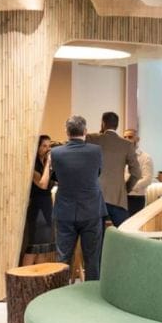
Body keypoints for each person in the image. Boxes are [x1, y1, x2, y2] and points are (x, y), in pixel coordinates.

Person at [50, 115, 106, 281]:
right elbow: (97, 173)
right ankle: (91, 292)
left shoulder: (56, 152)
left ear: (66, 132)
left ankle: (60, 291)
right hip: (91, 210)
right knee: (92, 258)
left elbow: (56, 177)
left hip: (65, 210)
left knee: (63, 257)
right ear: (85, 131)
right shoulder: (96, 151)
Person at [86, 111, 140, 229]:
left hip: (95, 196)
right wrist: (125, 188)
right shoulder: (127, 145)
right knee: (124, 231)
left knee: (97, 235)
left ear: (103, 123)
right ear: (117, 125)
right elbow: (136, 173)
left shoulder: (91, 139)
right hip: (118, 197)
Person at [21, 135, 56, 266]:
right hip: (37, 207)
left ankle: (38, 278)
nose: (47, 149)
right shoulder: (33, 165)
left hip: (47, 206)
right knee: (33, 247)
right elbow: (43, 184)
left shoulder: (46, 164)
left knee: (43, 249)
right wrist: (48, 164)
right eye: (44, 146)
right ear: (37, 147)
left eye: (49, 146)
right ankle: (24, 277)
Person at [122, 128, 154, 216]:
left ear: (137, 139)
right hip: (122, 197)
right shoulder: (121, 156)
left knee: (132, 223)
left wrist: (129, 187)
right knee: (122, 223)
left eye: (130, 137)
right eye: (125, 137)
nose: (127, 139)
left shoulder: (145, 157)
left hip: (136, 198)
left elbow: (147, 179)